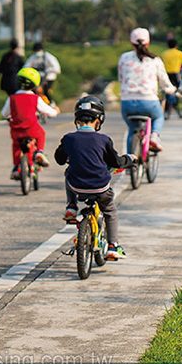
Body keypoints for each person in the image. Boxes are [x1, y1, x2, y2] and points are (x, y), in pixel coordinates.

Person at [55, 96, 136, 261]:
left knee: (68, 172)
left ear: (77, 119)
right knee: (110, 211)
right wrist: (130, 159)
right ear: (99, 120)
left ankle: (71, 206)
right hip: (100, 187)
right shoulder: (104, 140)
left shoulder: (69, 139)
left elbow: (59, 159)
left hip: (76, 186)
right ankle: (113, 246)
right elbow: (116, 162)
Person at [118, 27, 177, 152]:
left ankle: (130, 162)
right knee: (158, 117)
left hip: (127, 103)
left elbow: (121, 78)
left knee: (132, 130)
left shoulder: (124, 58)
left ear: (131, 43)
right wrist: (171, 89)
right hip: (148, 102)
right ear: (148, 43)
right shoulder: (155, 60)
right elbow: (165, 83)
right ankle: (154, 137)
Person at [1, 67, 59, 179]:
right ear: (34, 84)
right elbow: (50, 113)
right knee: (41, 134)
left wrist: (9, 116)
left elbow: (4, 113)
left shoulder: (12, 98)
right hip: (32, 130)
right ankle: (39, 153)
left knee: (16, 146)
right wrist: (55, 110)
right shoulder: (35, 98)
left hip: (16, 131)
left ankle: (16, 167)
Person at [161, 38, 182, 112]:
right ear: (176, 45)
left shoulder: (164, 53)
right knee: (179, 88)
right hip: (176, 74)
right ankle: (176, 100)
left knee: (167, 89)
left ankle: (167, 106)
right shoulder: (179, 53)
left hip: (167, 74)